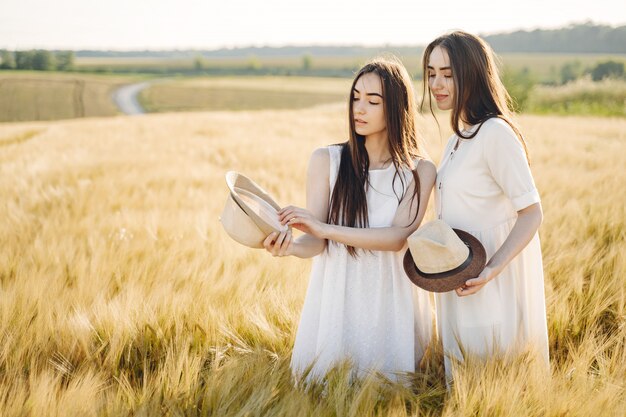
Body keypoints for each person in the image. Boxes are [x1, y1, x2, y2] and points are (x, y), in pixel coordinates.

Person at [263, 57, 436, 382]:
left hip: (391, 301)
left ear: (397, 107)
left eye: (373, 101)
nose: (359, 108)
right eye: (356, 97)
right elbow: (316, 242)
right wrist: (289, 248)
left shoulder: (419, 171)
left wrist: (324, 228)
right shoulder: (326, 160)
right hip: (338, 297)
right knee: (327, 392)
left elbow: (397, 238)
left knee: (389, 394)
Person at [422, 31, 549, 379]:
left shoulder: (496, 133)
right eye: (431, 73)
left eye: (448, 73)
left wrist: (491, 269)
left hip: (490, 282)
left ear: (473, 72)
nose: (437, 83)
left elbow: (531, 212)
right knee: (466, 383)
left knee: (496, 376)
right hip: (459, 278)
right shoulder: (456, 140)